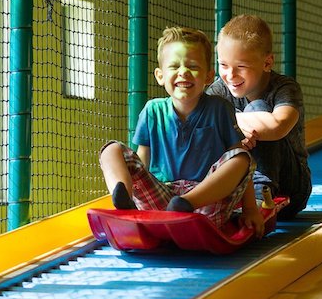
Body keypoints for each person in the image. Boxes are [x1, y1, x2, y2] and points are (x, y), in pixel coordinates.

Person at [99, 27, 264, 237]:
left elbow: (241, 168)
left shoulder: (219, 108)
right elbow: (142, 161)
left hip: (204, 204)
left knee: (241, 157)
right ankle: (124, 201)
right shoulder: (152, 110)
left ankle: (186, 203)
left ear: (208, 76)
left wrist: (250, 209)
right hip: (161, 199)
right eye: (174, 66)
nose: (183, 72)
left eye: (193, 66)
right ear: (160, 75)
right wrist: (137, 184)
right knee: (111, 149)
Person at [206, 14, 312, 219]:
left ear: (267, 62)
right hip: (238, 185)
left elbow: (276, 126)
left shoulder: (284, 87)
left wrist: (231, 122)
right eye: (224, 65)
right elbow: (203, 123)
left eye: (241, 67)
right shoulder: (219, 90)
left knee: (257, 108)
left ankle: (259, 194)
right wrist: (234, 129)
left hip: (291, 187)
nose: (230, 75)